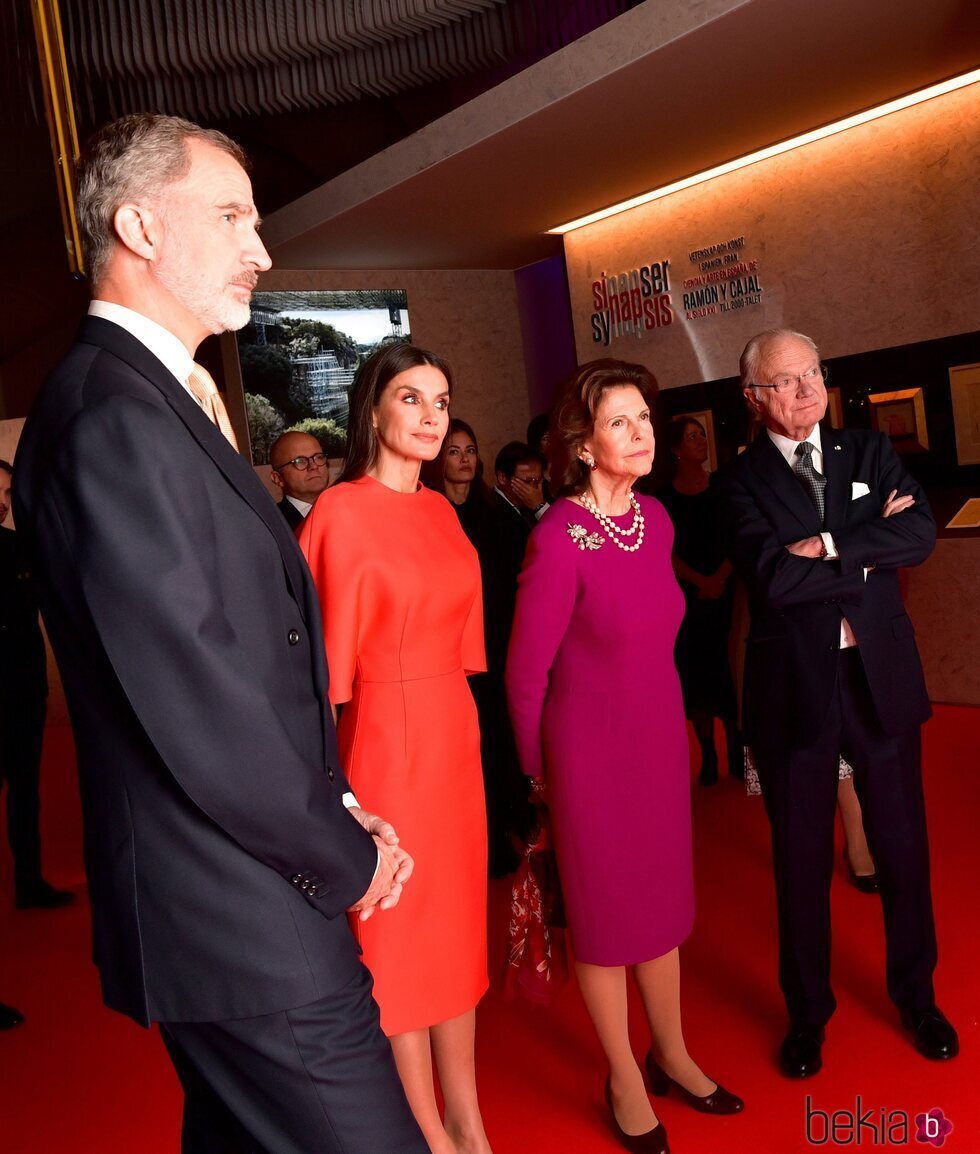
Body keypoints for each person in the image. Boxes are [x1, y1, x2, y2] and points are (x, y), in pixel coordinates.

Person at [13, 114, 427, 1154]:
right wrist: (339, 848)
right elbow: (196, 695)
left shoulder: (156, 395)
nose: (262, 247)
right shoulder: (113, 410)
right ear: (139, 225)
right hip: (237, 915)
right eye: (233, 215)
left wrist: (333, 805)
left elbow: (242, 656)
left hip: (239, 889)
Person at [507, 359, 742, 1154]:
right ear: (581, 442)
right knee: (607, 924)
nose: (641, 433)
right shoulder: (557, 537)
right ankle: (624, 1077)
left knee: (665, 911)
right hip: (585, 761)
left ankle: (671, 1052)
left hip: (655, 743)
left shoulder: (658, 521)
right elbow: (525, 671)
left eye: (645, 418)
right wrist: (539, 773)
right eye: (621, 422)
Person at [721, 327, 957, 1078]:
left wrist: (825, 547)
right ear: (753, 399)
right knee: (798, 859)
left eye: (813, 373)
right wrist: (865, 540)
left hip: (878, 679)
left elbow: (919, 533)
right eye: (785, 381)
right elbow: (773, 582)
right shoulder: (741, 480)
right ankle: (807, 1015)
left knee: (902, 846)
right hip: (793, 686)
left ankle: (918, 997)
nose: (806, 390)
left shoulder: (870, 451)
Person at [299, 343, 493, 1154]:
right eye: (410, 398)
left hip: (455, 740)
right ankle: (430, 1136)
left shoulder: (445, 512)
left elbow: (469, 645)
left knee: (456, 937)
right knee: (402, 944)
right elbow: (316, 676)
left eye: (440, 401)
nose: (429, 416)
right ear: (372, 410)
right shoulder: (337, 513)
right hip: (383, 743)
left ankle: (470, 1121)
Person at [0, 459, 74, 910]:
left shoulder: (19, 548)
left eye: (9, 495)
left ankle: (30, 884)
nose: (3, 504)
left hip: (23, 691)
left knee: (26, 795)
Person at [659, 418, 741, 785]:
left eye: (702, 434)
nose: (700, 441)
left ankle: (738, 751)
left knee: (730, 673)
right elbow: (667, 551)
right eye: (692, 437)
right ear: (675, 449)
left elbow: (739, 538)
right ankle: (707, 753)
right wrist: (699, 581)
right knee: (696, 677)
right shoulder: (664, 497)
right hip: (688, 600)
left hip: (727, 593)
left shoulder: (724, 487)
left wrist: (720, 577)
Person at [422, 417, 492, 549]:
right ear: (440, 459)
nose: (465, 459)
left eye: (470, 450)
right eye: (454, 452)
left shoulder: (493, 509)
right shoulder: (428, 511)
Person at [269, 429, 329, 529]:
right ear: (278, 478)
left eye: (318, 457)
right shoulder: (272, 524)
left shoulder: (346, 510)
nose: (313, 466)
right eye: (300, 461)